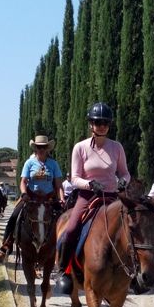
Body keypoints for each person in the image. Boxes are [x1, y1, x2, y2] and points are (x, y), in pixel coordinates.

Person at [56, 102, 130, 294]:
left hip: (112, 196)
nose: (102, 126)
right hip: (88, 195)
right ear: (91, 124)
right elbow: (74, 178)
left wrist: (123, 181)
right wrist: (90, 184)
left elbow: (125, 173)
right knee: (71, 229)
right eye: (98, 122)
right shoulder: (80, 147)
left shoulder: (117, 147)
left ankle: (133, 271)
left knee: (131, 227)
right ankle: (63, 270)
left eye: (105, 123)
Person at [0, 135, 64, 261]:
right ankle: (6, 246)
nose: (41, 149)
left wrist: (62, 199)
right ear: (35, 148)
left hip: (49, 199)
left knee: (65, 219)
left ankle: (66, 252)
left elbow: (59, 185)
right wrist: (24, 193)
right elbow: (23, 181)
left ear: (47, 148)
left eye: (43, 147)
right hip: (31, 198)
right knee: (14, 216)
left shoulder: (53, 164)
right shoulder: (29, 163)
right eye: (39, 147)